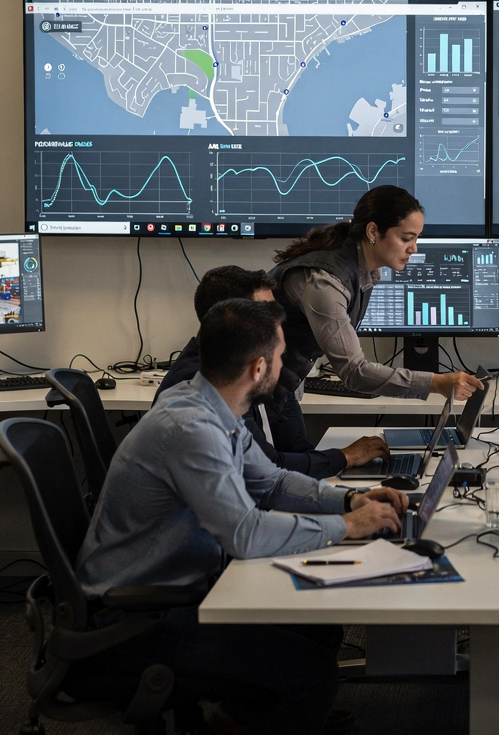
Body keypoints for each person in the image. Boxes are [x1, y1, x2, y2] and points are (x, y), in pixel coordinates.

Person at [77, 298, 409, 734]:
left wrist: (351, 502)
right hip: (140, 619)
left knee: (321, 629)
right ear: (258, 368)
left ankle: (242, 721)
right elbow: (246, 535)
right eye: (280, 355)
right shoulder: (191, 429)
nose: (285, 363)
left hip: (180, 588)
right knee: (311, 673)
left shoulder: (212, 402)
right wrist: (347, 527)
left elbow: (271, 482)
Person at [156, 265, 390, 479]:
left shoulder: (237, 364)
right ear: (230, 321)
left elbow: (279, 431)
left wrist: (336, 470)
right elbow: (265, 468)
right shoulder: (201, 385)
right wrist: (344, 458)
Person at [269, 185, 483, 401]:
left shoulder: (359, 266)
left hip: (281, 385)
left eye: (416, 238)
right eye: (406, 238)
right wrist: (436, 383)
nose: (414, 249)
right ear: (372, 232)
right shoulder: (325, 283)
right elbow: (354, 373)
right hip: (252, 391)